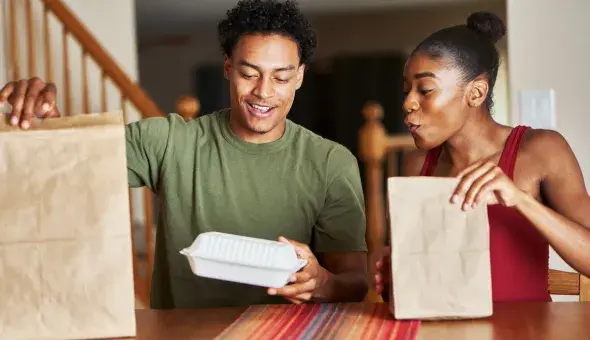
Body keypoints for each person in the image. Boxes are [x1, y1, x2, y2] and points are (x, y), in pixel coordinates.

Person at [0, 0, 369, 308]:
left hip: (284, 332)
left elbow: (355, 280)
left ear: (301, 76)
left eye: (281, 77)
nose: (263, 91)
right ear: (228, 68)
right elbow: (67, 166)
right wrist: (44, 122)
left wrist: (320, 282)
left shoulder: (331, 163)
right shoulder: (169, 141)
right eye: (249, 73)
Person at [373, 12, 590, 302]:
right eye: (406, 90)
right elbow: (415, 278)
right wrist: (393, 272)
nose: (408, 103)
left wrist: (520, 200)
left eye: (425, 90)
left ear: (475, 92)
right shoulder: (417, 164)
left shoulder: (541, 150)